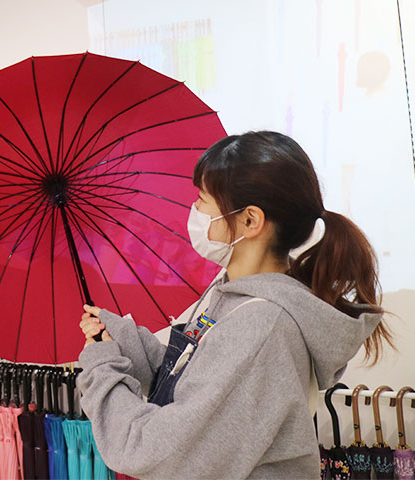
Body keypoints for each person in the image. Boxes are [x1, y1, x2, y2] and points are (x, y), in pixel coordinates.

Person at [77, 131, 393, 479]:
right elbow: (184, 375)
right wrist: (119, 339)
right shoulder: (228, 292)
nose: (195, 210)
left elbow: (152, 451)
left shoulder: (260, 325)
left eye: (203, 200)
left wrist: (104, 368)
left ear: (250, 221)